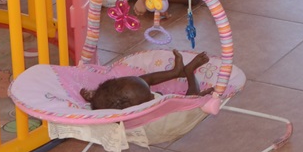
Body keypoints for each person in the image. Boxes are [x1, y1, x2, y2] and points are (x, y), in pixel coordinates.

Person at [80, 51, 214, 109]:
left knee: (140, 81)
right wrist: (200, 97)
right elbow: (186, 107)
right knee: (188, 102)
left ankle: (175, 72)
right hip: (172, 106)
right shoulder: (144, 111)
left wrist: (93, 97)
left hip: (125, 98)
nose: (154, 95)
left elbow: (103, 99)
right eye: (150, 97)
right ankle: (189, 72)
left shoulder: (105, 102)